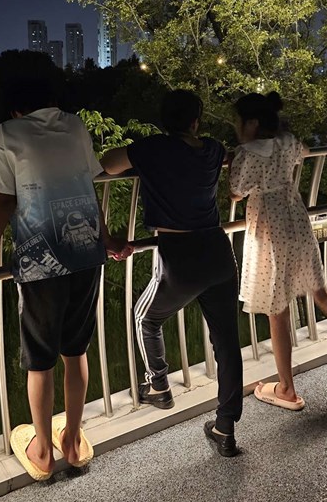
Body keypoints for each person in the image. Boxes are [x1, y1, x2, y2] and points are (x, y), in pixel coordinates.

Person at [0, 78, 130, 480]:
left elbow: (4, 199)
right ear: (51, 102)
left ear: (16, 109)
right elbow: (87, 187)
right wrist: (106, 238)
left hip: (40, 261)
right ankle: (73, 441)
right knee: (76, 351)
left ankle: (43, 451)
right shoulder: (75, 125)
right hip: (86, 254)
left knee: (40, 360)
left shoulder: (8, 132)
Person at [101, 89, 243, 457]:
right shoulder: (212, 149)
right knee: (227, 343)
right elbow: (230, 156)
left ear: (164, 121)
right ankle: (225, 427)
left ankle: (159, 386)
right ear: (196, 121)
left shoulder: (154, 149)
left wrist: (140, 158)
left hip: (179, 254)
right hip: (218, 250)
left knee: (145, 317)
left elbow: (109, 163)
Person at [229, 92, 327, 411]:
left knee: (277, 307)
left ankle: (287, 389)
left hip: (270, 228)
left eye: (238, 121)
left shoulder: (247, 153)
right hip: (296, 219)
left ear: (251, 123)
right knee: (320, 290)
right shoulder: (288, 142)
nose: (236, 127)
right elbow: (302, 151)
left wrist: (233, 160)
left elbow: (236, 192)